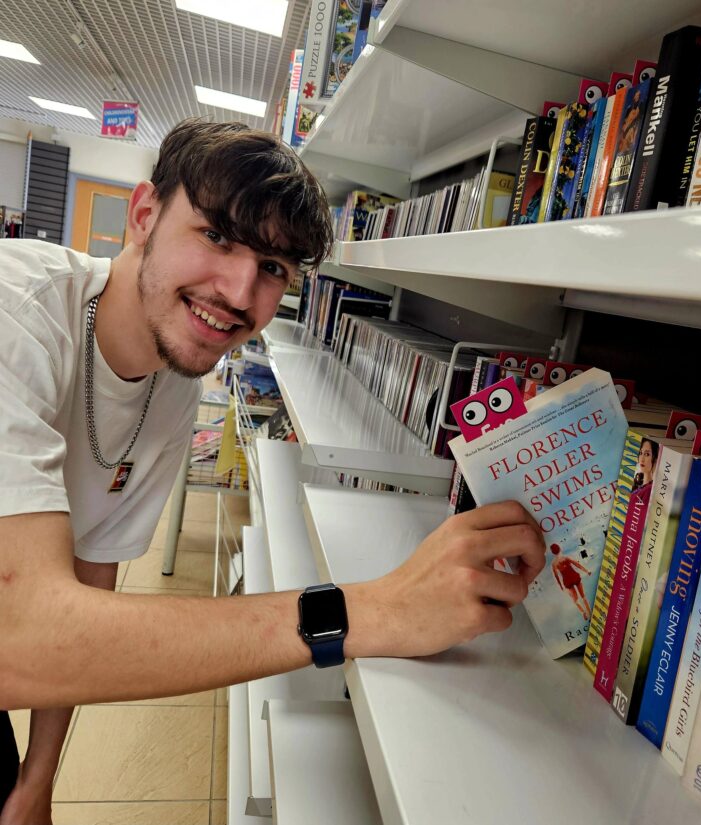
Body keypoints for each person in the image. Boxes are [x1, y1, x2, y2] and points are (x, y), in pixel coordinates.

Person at [0, 119, 545, 823]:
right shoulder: (19, 315)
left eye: (274, 268)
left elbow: (91, 570)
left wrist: (37, 784)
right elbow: (20, 638)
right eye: (218, 236)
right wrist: (368, 610)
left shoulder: (175, 384)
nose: (238, 290)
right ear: (144, 216)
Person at [550, 542, 591, 620]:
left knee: (575, 600)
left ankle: (583, 612)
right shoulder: (566, 558)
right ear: (560, 548)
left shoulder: (554, 564)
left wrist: (561, 586)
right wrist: (587, 571)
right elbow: (577, 565)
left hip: (567, 581)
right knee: (583, 597)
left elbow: (556, 576)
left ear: (553, 553)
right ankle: (590, 612)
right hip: (574, 577)